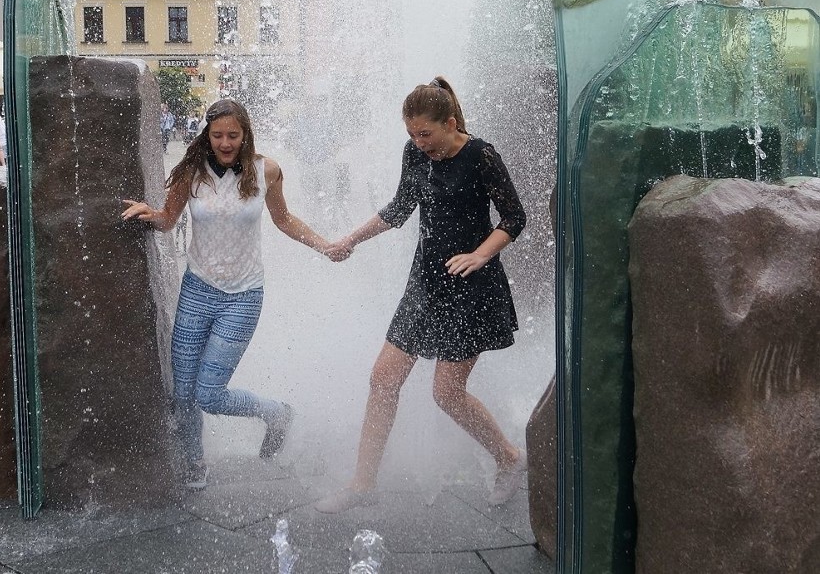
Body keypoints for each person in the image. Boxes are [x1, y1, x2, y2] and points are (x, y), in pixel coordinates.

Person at [315, 76, 528, 513]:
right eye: (411, 134)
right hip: (426, 282)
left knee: (446, 393)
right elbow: (398, 209)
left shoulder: (480, 155)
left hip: (471, 286)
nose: (418, 142)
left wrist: (479, 255)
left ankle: (509, 457)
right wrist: (351, 239)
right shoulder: (415, 153)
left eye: (425, 133)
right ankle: (362, 484)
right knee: (383, 379)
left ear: (450, 123)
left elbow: (515, 216)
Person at [122, 99, 340, 489]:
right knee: (184, 389)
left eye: (232, 135)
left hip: (243, 296)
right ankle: (195, 464)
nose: (224, 143)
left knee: (209, 393)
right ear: (207, 134)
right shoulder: (192, 172)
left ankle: (277, 413)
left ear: (245, 135)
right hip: (197, 290)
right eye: (217, 135)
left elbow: (284, 220)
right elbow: (168, 221)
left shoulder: (265, 170)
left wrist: (324, 245)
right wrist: (150, 214)